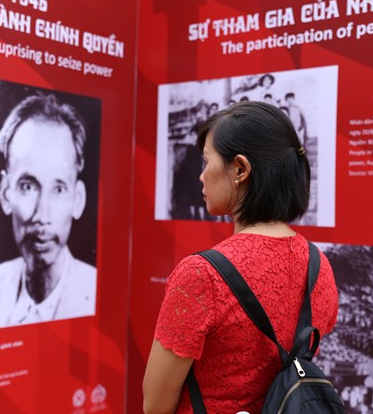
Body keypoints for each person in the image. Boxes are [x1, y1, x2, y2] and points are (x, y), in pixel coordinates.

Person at [143, 101, 339, 413]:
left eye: (207, 162)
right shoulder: (318, 265)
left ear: (240, 169)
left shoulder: (201, 274)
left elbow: (155, 404)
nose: (201, 176)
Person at [0, 93, 96, 329]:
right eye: (28, 186)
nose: (42, 216)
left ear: (78, 199)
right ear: (6, 193)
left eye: (58, 189)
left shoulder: (94, 291)